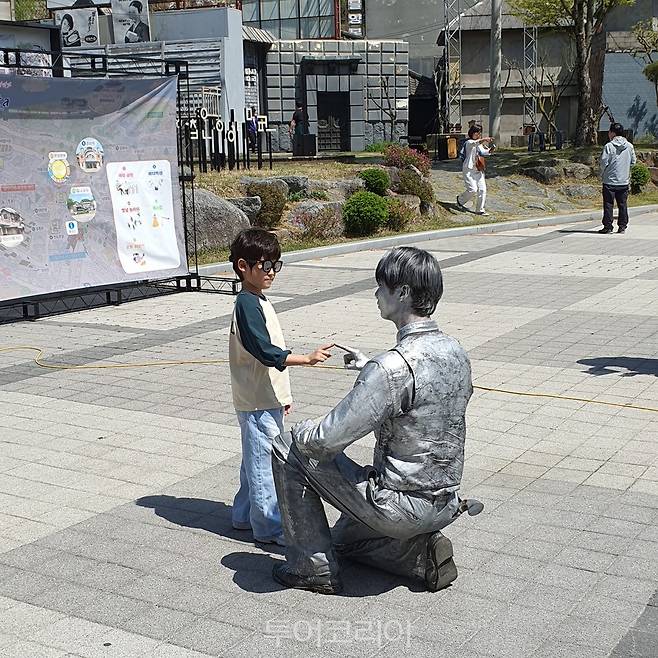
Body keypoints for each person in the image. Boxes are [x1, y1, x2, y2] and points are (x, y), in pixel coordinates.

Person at [270, 247, 482, 594]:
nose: (376, 293)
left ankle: (311, 569)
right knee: (342, 542)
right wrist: (370, 367)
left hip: (397, 504)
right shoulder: (456, 352)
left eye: (381, 286)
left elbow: (325, 440)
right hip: (444, 502)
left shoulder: (391, 369)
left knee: (286, 446)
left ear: (402, 293)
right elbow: (419, 392)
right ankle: (418, 554)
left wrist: (301, 431)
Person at [229, 229, 333, 546]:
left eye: (276, 264)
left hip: (264, 397)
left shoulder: (256, 299)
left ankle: (243, 516)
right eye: (264, 265)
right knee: (263, 465)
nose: (271, 271)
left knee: (254, 461)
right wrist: (307, 358)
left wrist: (283, 397)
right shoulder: (247, 304)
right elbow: (264, 350)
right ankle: (269, 527)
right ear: (242, 266)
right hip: (257, 400)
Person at [599, 122, 636, 234]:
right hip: (623, 181)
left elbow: (603, 162)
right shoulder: (629, 146)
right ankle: (622, 226)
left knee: (608, 204)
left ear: (612, 133)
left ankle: (608, 226)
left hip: (609, 180)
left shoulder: (608, 146)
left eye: (609, 132)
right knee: (623, 205)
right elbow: (633, 162)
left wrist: (602, 173)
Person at [456, 125, 494, 216]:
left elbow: (484, 152)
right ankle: (460, 200)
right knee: (472, 189)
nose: (478, 134)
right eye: (476, 132)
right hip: (469, 170)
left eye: (479, 133)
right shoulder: (468, 142)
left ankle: (480, 209)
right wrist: (484, 139)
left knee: (482, 189)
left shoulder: (480, 144)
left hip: (478, 169)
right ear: (472, 133)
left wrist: (490, 150)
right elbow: (475, 143)